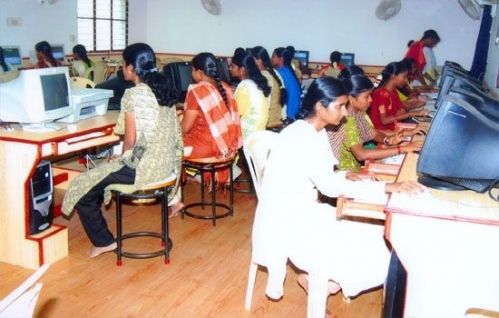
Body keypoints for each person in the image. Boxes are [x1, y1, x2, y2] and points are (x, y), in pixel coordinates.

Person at [251, 77, 426, 314]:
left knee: (371, 233)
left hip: (296, 211)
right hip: (289, 221)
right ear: (320, 107)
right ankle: (322, 282)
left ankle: (323, 283)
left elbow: (319, 175)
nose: (344, 113)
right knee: (376, 240)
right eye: (340, 106)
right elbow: (329, 188)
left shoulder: (309, 129)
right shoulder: (305, 137)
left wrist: (345, 175)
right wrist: (386, 187)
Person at [62, 43, 184, 258]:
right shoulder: (164, 90)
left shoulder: (133, 95)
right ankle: (102, 227)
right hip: (166, 166)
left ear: (130, 68)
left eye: (123, 64)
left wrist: (121, 157)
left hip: (143, 169)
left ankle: (103, 241)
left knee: (81, 185)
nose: (122, 69)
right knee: (100, 178)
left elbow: (130, 140)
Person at [328, 74, 424, 172]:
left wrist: (389, 140)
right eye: (366, 96)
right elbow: (361, 154)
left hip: (354, 168)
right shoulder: (346, 120)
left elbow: (374, 133)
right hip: (345, 172)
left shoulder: (358, 113)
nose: (371, 99)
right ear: (351, 99)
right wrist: (402, 148)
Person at [181, 52, 242, 184]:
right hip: (227, 146)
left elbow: (185, 127)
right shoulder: (226, 87)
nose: (191, 74)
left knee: (172, 147)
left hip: (207, 148)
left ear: (200, 72)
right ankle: (210, 174)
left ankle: (174, 196)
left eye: (192, 70)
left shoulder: (196, 90)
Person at [369, 61, 428, 132]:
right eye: (404, 77)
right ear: (393, 76)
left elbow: (400, 110)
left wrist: (418, 113)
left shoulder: (393, 90)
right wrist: (410, 114)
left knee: (423, 128)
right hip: (384, 132)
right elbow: (384, 121)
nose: (406, 80)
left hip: (394, 126)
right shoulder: (382, 94)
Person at [230, 49, 271, 140]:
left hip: (248, 135)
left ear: (242, 70)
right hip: (259, 131)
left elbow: (236, 115)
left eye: (232, 66)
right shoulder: (255, 83)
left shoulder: (244, 86)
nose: (230, 69)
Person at [251, 46, 286, 129]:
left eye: (251, 60)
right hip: (277, 116)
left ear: (259, 60)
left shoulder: (263, 76)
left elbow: (261, 103)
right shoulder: (273, 71)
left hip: (270, 121)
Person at [272, 47, 301, 121]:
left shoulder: (280, 73)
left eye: (273, 56)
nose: (271, 58)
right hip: (295, 111)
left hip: (289, 114)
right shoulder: (287, 70)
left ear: (281, 59)